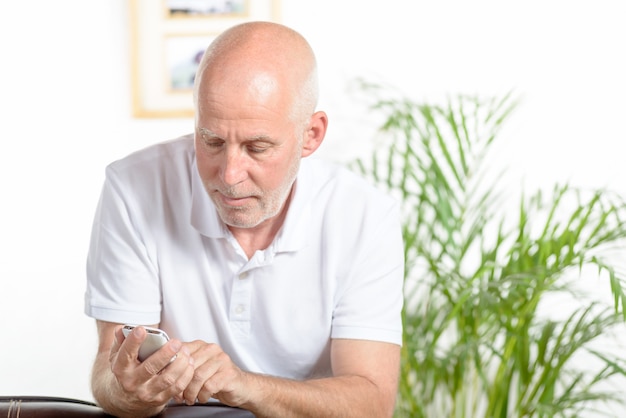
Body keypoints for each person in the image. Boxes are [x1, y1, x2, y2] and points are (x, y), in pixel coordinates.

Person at [84, 21, 404, 418]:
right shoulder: (132, 188)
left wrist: (243, 385)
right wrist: (131, 392)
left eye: (257, 147)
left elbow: (371, 404)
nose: (230, 175)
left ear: (312, 135)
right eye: (212, 141)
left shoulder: (364, 216)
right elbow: (107, 376)